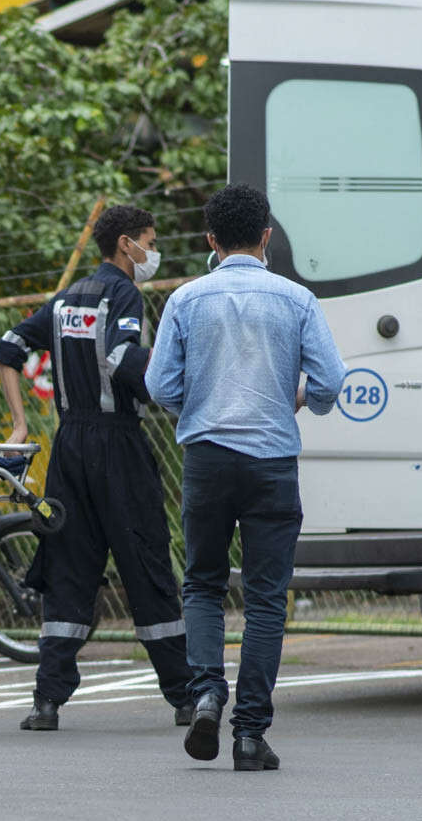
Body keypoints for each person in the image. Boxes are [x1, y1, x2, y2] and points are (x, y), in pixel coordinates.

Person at [146, 184, 346, 771]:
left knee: (203, 583)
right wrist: (297, 397)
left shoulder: (185, 299)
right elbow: (332, 381)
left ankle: (206, 692)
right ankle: (250, 735)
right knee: (264, 599)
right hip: (272, 461)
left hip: (207, 457)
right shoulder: (297, 299)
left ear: (211, 240)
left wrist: (199, 406)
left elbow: (160, 386)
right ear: (267, 235)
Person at [0, 204, 194, 731]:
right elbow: (125, 361)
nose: (153, 249)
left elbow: (7, 348)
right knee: (146, 562)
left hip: (68, 447)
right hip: (118, 446)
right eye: (150, 239)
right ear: (127, 244)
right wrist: (182, 397)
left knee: (69, 568)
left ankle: (47, 703)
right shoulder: (124, 295)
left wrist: (18, 424)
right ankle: (185, 698)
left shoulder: (66, 299)